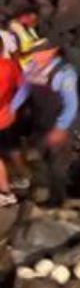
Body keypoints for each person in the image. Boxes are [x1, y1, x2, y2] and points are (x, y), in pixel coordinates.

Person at [10, 39, 79, 205]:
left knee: (57, 163)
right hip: (40, 121)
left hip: (58, 122)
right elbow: (24, 90)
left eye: (40, 52)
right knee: (40, 157)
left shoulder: (64, 72)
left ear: (52, 52)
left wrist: (60, 128)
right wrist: (11, 109)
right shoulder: (32, 68)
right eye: (34, 52)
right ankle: (45, 192)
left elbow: (71, 104)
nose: (36, 56)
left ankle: (59, 199)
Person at [0, 44, 23, 207]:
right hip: (7, 115)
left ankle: (5, 192)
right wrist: (14, 106)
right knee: (11, 147)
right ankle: (22, 177)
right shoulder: (10, 65)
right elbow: (22, 86)